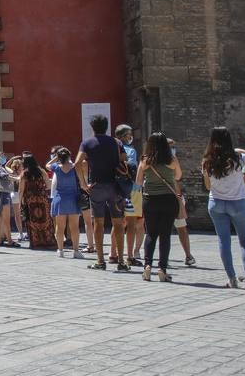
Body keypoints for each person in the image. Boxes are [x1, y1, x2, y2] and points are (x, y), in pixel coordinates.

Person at [201, 126, 245, 290]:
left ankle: (231, 278)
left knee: (223, 241)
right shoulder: (238, 157)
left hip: (216, 203)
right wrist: (243, 150)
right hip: (237, 202)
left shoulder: (207, 160)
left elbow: (208, 186)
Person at [77, 115, 128, 271]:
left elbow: (78, 162)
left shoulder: (87, 143)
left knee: (98, 223)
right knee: (118, 223)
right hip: (115, 186)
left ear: (92, 127)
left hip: (97, 186)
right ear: (107, 126)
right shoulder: (116, 142)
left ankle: (100, 260)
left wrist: (83, 183)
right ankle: (120, 261)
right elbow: (124, 159)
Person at [135, 132, 181, 282]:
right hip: (168, 199)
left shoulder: (145, 161)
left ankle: (147, 266)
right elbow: (178, 176)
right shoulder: (172, 160)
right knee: (165, 235)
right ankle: (162, 269)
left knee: (151, 234)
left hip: (150, 200)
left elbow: (138, 182)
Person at [115, 124, 144, 263]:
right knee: (131, 223)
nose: (131, 136)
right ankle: (130, 256)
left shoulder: (111, 150)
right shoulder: (130, 151)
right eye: (129, 134)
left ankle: (112, 254)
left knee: (117, 222)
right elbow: (131, 168)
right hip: (132, 190)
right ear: (124, 136)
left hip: (115, 190)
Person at [167, 139, 198, 267]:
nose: (173, 149)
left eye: (174, 147)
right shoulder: (165, 161)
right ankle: (165, 257)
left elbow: (178, 178)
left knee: (181, 228)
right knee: (166, 230)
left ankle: (188, 255)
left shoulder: (174, 160)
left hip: (176, 196)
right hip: (168, 196)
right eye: (171, 147)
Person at [48, 148, 83, 258]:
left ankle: (60, 250)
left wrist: (56, 158)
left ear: (59, 157)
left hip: (59, 198)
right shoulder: (74, 168)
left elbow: (47, 165)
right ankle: (76, 251)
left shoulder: (56, 167)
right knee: (74, 227)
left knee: (60, 226)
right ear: (69, 156)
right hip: (73, 198)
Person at [19, 154, 56, 251]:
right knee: (46, 220)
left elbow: (21, 190)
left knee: (32, 221)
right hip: (42, 199)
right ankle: (48, 241)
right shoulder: (42, 171)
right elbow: (48, 185)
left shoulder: (24, 173)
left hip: (30, 200)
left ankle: (36, 242)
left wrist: (20, 202)